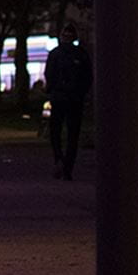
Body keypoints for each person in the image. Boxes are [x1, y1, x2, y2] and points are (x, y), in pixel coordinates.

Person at [44, 29, 92, 179]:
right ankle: (68, 166)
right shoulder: (81, 54)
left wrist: (52, 91)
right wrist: (82, 92)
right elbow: (88, 76)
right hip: (75, 98)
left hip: (58, 97)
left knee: (55, 131)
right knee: (73, 133)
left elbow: (49, 75)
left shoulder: (55, 54)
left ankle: (59, 158)